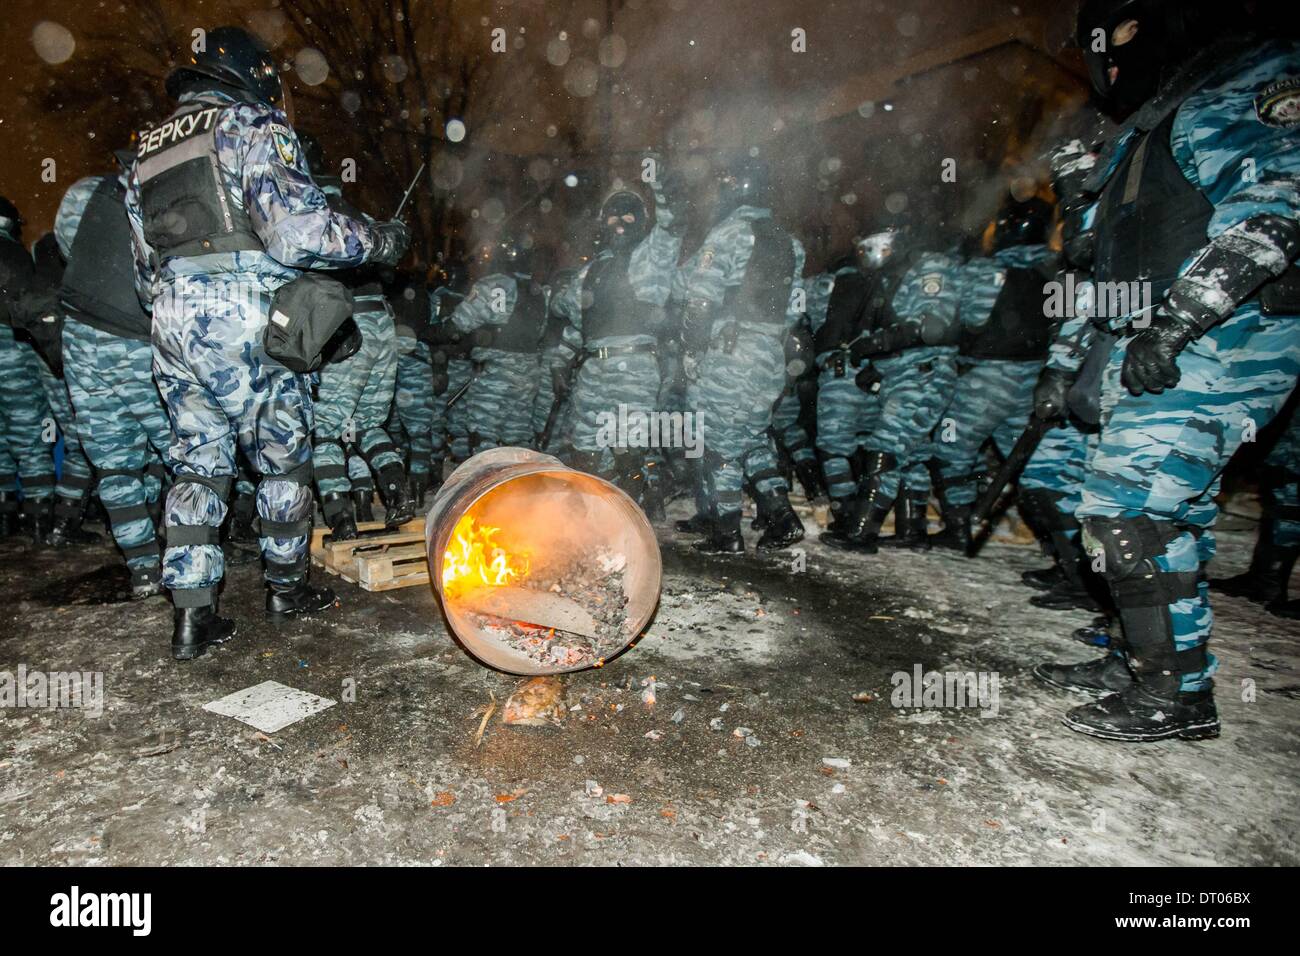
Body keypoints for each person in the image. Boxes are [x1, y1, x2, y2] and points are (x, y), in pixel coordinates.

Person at [1034, 1, 1300, 741]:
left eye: (1119, 44)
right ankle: (1144, 661)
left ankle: (1174, 696)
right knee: (1165, 513)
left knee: (1128, 510)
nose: (1110, 67)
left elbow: (1278, 208)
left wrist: (1182, 317)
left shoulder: (1250, 79)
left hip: (1228, 332)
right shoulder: (1152, 122)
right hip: (1152, 338)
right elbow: (1102, 258)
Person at [126, 26, 409, 659]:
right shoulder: (253, 124)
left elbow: (144, 267)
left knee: (197, 459)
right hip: (245, 311)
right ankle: (286, 589)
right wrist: (379, 240)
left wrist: (181, 300)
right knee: (282, 456)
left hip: (173, 317)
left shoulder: (148, 148)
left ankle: (193, 616)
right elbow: (298, 233)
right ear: (254, 72)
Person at [55, 156, 173, 596]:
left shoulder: (87, 190)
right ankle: (186, 553)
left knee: (113, 464)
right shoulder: (168, 194)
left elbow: (70, 246)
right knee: (183, 452)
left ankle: (143, 566)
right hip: (138, 338)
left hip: (81, 333)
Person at [679, 157, 807, 554]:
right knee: (751, 438)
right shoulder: (791, 242)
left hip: (731, 352)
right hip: (769, 352)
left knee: (720, 444)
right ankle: (783, 517)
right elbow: (795, 309)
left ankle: (726, 531)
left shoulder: (730, 233)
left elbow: (700, 301)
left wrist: (692, 349)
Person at [822, 226, 962, 553]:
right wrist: (875, 364)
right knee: (911, 454)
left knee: (885, 448)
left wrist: (877, 343)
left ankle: (861, 533)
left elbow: (931, 325)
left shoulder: (929, 268)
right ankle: (911, 529)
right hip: (906, 373)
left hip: (924, 373)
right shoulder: (893, 277)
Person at [300, 133, 412, 539]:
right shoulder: (356, 213)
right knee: (368, 424)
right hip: (382, 323)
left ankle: (341, 517)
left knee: (326, 430)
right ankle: (398, 494)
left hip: (346, 327)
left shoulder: (307, 213)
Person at [930, 198, 1058, 552]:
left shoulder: (985, 273)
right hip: (1036, 382)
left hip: (985, 379)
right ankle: (1069, 557)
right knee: (1037, 466)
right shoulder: (1056, 272)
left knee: (950, 450)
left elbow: (968, 321)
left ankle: (958, 527)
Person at [549, 176, 683, 515]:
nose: (620, 223)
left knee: (629, 453)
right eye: (613, 215)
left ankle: (631, 520)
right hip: (593, 370)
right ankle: (598, 520)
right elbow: (577, 323)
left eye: (629, 215)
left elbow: (670, 229)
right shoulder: (592, 270)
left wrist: (665, 186)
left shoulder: (647, 259)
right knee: (586, 452)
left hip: (634, 368)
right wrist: (560, 363)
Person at [449, 236, 545, 454]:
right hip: (528, 372)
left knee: (483, 433)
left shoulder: (493, 284)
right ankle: (521, 483)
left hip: (495, 372)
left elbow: (461, 323)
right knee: (518, 436)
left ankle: (490, 482)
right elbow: (541, 331)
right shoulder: (539, 292)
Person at [0, 197, 59, 541]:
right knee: (28, 432)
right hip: (12, 350)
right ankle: (38, 516)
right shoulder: (13, 255)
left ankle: (5, 513)